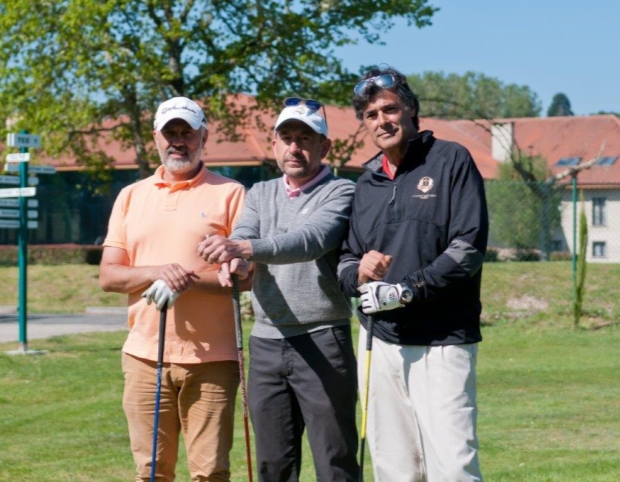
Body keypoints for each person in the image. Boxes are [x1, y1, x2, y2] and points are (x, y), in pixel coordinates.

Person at [337, 67, 489, 482]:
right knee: (395, 468)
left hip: (442, 341)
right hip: (380, 342)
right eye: (371, 115)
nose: (382, 121)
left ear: (411, 110)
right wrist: (360, 273)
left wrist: (406, 290)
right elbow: (347, 262)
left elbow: (468, 248)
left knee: (453, 467)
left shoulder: (450, 159)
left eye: (390, 109)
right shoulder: (366, 183)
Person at [197, 98, 360, 482]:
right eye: (286, 137)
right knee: (273, 464)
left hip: (322, 338)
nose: (295, 147)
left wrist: (245, 250)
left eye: (305, 138)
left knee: (334, 459)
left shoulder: (342, 192)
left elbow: (310, 241)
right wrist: (233, 262)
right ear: (273, 144)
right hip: (267, 342)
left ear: (325, 147)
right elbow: (243, 235)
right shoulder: (260, 192)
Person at [99, 96, 247, 482]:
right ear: (155, 138)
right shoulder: (131, 196)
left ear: (204, 137)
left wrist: (187, 278)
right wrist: (158, 272)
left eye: (187, 132)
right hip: (145, 356)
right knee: (151, 472)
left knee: (211, 472)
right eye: (170, 133)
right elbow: (109, 276)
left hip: (214, 359)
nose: (178, 141)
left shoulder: (231, 194)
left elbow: (243, 278)